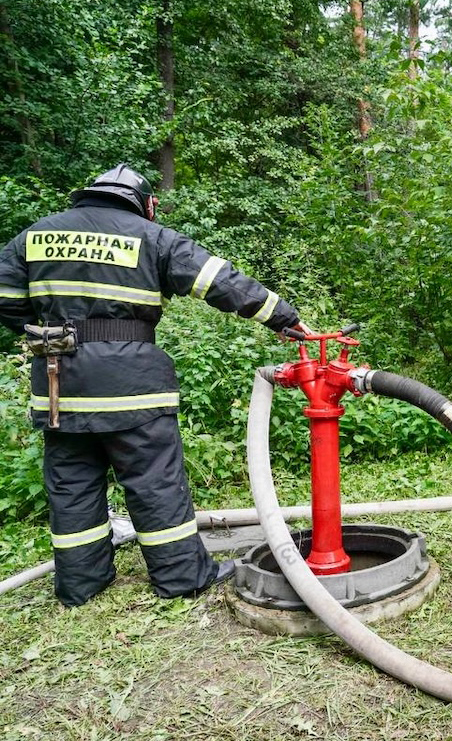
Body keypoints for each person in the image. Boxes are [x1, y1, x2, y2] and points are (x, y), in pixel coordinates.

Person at [0, 164, 308, 607]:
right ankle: (182, 578)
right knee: (153, 482)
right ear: (147, 204)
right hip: (135, 386)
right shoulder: (151, 236)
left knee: (71, 485)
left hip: (60, 386)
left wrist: (54, 329)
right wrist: (284, 316)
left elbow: (7, 303)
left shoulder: (37, 235)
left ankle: (81, 585)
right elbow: (219, 281)